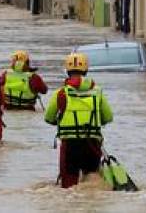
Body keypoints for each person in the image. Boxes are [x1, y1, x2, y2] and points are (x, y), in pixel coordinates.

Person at [44, 52, 113, 188]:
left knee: (68, 186)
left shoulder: (61, 93)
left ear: (67, 71)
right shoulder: (98, 92)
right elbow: (108, 117)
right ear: (86, 70)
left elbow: (48, 117)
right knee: (92, 182)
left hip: (70, 145)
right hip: (92, 144)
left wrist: (59, 121)